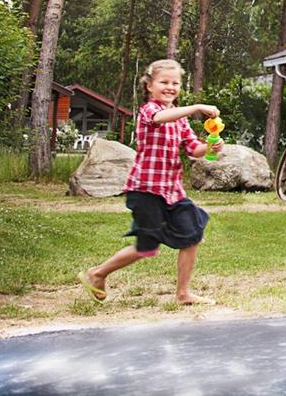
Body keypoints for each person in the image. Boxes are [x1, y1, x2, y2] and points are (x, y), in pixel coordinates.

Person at [78, 59, 219, 306]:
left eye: (175, 83)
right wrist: (195, 106)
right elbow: (160, 117)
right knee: (147, 247)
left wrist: (210, 147)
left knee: (193, 234)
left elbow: (192, 149)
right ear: (150, 86)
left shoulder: (181, 120)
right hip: (145, 190)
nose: (170, 87)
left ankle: (183, 293)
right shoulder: (148, 111)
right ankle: (97, 273)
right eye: (164, 82)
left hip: (172, 191)